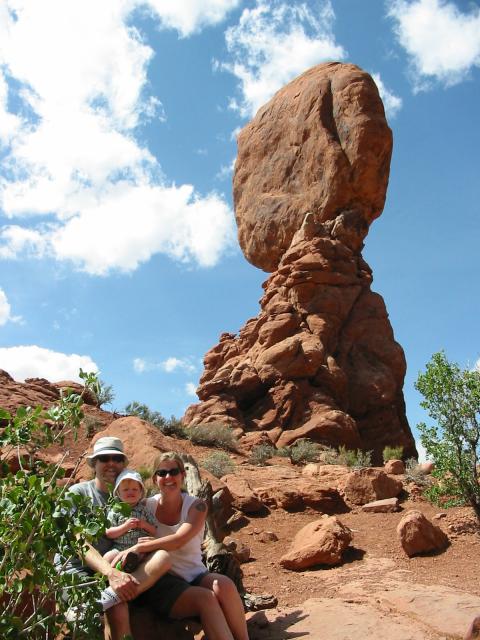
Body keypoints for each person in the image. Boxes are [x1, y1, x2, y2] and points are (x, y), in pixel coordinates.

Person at [111, 451, 249, 640]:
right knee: (206, 599)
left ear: (183, 475)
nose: (168, 477)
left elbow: (180, 539)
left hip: (194, 573)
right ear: (154, 479)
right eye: (162, 473)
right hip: (163, 577)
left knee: (224, 585)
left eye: (174, 471)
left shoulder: (197, 506)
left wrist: (143, 547)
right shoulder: (145, 506)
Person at [55, 436, 171, 640]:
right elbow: (78, 541)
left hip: (117, 567)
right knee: (118, 607)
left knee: (162, 557)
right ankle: (101, 601)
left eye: (116, 459)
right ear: (94, 464)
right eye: (104, 458)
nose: (111, 463)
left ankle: (105, 599)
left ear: (123, 464)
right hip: (78, 570)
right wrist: (110, 573)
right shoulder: (79, 493)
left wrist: (139, 548)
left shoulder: (129, 496)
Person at [103, 469, 157, 573]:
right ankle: (107, 579)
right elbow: (109, 533)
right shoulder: (115, 510)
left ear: (141, 492)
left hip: (139, 547)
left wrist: (144, 525)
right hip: (119, 547)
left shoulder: (144, 510)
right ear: (118, 493)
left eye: (135, 489)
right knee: (107, 557)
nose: (130, 492)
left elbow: (154, 531)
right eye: (126, 489)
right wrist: (125, 527)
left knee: (147, 557)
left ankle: (130, 566)